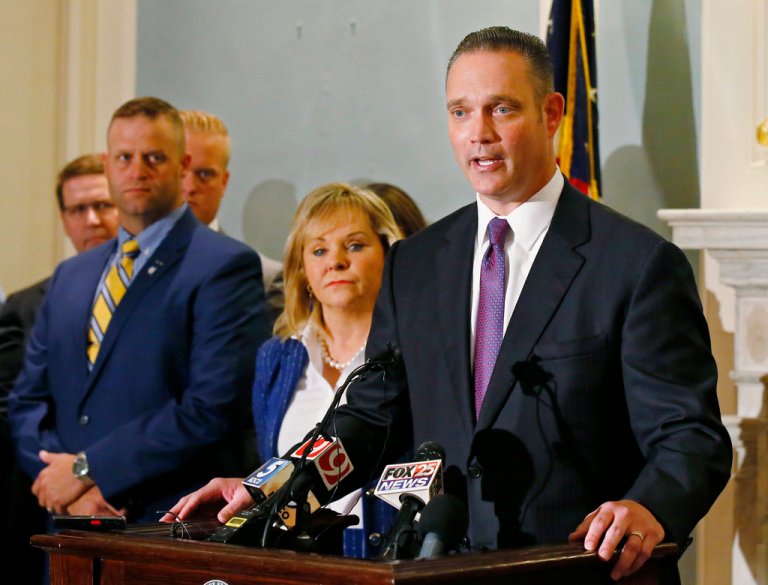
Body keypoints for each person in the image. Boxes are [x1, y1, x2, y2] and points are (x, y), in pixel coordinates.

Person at [164, 27, 731, 582]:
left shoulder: (635, 264)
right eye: (460, 112)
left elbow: (690, 437)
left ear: (552, 114)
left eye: (501, 109)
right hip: (439, 569)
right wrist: (266, 489)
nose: (477, 133)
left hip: (578, 566)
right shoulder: (416, 263)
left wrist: (649, 508)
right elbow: (367, 419)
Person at [8, 97, 268, 524]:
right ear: (107, 164)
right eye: (124, 157)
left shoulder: (223, 265)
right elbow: (26, 402)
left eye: (153, 157)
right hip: (69, 525)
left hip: (165, 521)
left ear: (182, 166)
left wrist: (88, 471)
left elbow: (211, 406)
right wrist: (64, 487)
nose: (137, 170)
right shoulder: (72, 274)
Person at [167, 183, 402, 556]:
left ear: (389, 255)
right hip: (293, 558)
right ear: (302, 268)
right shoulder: (276, 357)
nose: (336, 261)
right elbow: (273, 464)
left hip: (387, 558)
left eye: (355, 245)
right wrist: (249, 488)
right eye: (319, 249)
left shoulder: (408, 352)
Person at [0, 154, 119, 584]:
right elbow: (17, 408)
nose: (91, 220)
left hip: (139, 497)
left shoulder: (160, 296)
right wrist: (66, 485)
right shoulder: (25, 305)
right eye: (77, 209)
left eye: (103, 205)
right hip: (52, 505)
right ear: (64, 219)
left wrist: (106, 474)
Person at [180, 110, 284, 324]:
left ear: (224, 182)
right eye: (181, 172)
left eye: (204, 174)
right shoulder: (123, 265)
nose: (189, 187)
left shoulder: (264, 278)